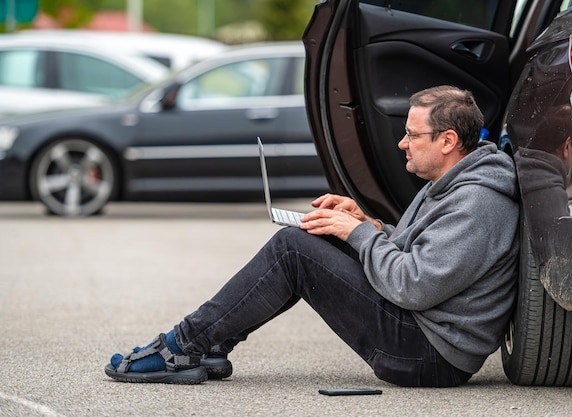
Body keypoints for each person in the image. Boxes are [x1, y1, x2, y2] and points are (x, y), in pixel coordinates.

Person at [104, 85, 519, 388]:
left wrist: (358, 234)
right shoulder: (450, 182)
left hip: (428, 354)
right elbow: (420, 254)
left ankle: (181, 346)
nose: (401, 143)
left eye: (412, 135)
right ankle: (210, 343)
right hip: (421, 331)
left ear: (447, 141)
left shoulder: (477, 203)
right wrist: (369, 226)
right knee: (312, 238)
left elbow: (413, 285)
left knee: (294, 248)